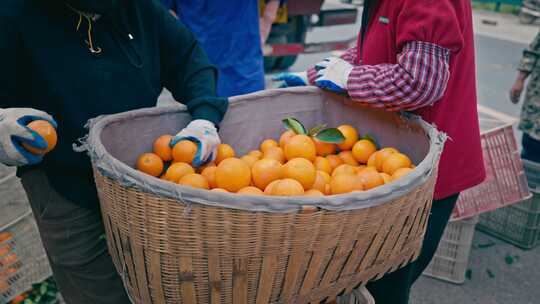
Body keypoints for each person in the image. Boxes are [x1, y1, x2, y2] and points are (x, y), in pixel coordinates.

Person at [0, 0, 228, 303]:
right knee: (92, 286)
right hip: (63, 184)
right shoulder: (12, 14)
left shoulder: (139, 9)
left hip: (140, 177)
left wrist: (204, 117)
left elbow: (189, 60)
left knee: (160, 283)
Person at [275, 0, 485, 303]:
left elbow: (419, 82)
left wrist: (348, 79)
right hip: (392, 163)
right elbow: (376, 49)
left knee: (387, 286)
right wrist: (317, 75)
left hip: (424, 173)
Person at [160, 0, 267, 97]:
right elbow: (157, 9)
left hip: (244, 68)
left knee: (251, 114)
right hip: (200, 68)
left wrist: (268, 18)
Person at [510, 30, 540, 163]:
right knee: (530, 146)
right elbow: (532, 52)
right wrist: (519, 80)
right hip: (537, 98)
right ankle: (527, 181)